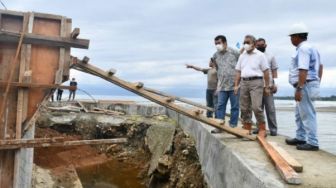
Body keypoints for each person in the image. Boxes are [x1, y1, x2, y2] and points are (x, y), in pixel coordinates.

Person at [285, 23, 323, 151]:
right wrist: (317, 82)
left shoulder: (303, 49)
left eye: (291, 37)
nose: (291, 40)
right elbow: (321, 67)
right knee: (299, 114)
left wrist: (300, 88)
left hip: (305, 85)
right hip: (309, 84)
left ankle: (312, 142)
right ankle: (301, 137)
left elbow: (303, 69)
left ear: (297, 37)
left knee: (307, 114)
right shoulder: (311, 48)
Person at [234, 35, 270, 137]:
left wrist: (267, 86)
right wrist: (236, 85)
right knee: (244, 107)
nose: (245, 44)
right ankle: (247, 127)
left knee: (256, 107)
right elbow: (238, 71)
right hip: (244, 82)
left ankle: (262, 128)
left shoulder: (260, 55)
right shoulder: (242, 56)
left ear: (254, 44)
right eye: (244, 42)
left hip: (256, 82)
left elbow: (266, 71)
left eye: (248, 42)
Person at [211, 35, 240, 133]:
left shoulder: (234, 52)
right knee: (220, 106)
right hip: (222, 86)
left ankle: (233, 126)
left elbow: (241, 65)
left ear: (225, 42)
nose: (217, 45)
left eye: (219, 43)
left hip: (234, 85)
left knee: (234, 107)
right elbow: (215, 68)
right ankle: (219, 126)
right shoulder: (215, 55)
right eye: (216, 44)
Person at [255, 38, 278, 136]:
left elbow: (274, 71)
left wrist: (275, 83)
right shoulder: (254, 56)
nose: (260, 46)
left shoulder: (271, 56)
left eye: (262, 45)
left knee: (270, 109)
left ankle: (273, 129)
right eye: (258, 45)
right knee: (258, 109)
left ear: (265, 45)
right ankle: (259, 128)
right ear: (256, 46)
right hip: (257, 85)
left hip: (268, 85)